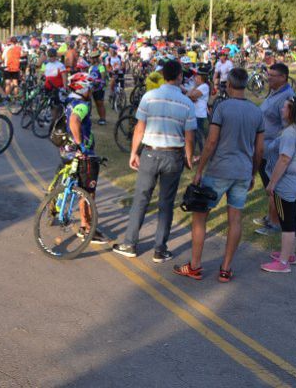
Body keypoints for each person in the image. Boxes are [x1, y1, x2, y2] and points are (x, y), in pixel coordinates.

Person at [174, 68, 264, 282]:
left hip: (219, 170)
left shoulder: (222, 107)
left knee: (200, 216)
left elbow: (211, 142)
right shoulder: (256, 111)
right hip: (242, 172)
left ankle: (195, 265)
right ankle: (225, 268)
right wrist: (252, 173)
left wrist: (199, 170)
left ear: (229, 85)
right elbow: (259, 149)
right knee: (235, 220)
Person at [114, 60, 196, 261]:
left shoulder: (149, 97)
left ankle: (130, 243)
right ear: (179, 77)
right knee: (166, 203)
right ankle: (160, 249)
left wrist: (134, 152)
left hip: (150, 153)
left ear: (162, 75)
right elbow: (190, 136)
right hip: (173, 155)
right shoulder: (187, 103)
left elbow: (139, 128)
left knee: (141, 199)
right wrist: (188, 157)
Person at [261, 96, 296, 273]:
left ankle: (283, 263)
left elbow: (284, 159)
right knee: (293, 217)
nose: (282, 110)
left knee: (287, 222)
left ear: (291, 112)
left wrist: (272, 183)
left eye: (285, 108)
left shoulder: (290, 133)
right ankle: (290, 254)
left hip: (287, 183)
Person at [60, 72, 106, 244]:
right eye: (89, 86)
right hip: (82, 152)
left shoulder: (69, 100)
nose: (91, 90)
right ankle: (86, 228)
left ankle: (85, 224)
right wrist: (81, 145)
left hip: (67, 148)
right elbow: (74, 121)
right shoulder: (82, 104)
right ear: (81, 87)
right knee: (88, 191)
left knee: (81, 186)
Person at [254, 63, 295, 235]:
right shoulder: (275, 91)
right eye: (268, 74)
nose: (268, 78)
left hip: (272, 150)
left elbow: (287, 128)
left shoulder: (286, 97)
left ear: (283, 77)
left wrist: (271, 147)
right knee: (268, 185)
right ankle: (270, 217)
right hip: (264, 147)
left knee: (274, 187)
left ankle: (275, 223)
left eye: (272, 75)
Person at [187, 66, 211, 155]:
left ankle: (203, 154)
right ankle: (196, 153)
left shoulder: (204, 86)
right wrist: (192, 94)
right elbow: (189, 95)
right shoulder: (199, 86)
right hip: (196, 114)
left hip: (200, 114)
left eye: (197, 76)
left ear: (201, 77)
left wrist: (191, 95)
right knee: (195, 136)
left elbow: (191, 96)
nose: (195, 78)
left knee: (199, 136)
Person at [87, 51, 107, 125]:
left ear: (95, 59)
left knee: (99, 103)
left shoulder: (101, 67)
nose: (90, 60)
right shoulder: (91, 67)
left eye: (91, 58)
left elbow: (103, 78)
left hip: (99, 88)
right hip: (91, 87)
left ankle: (102, 118)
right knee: (89, 103)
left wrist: (99, 83)